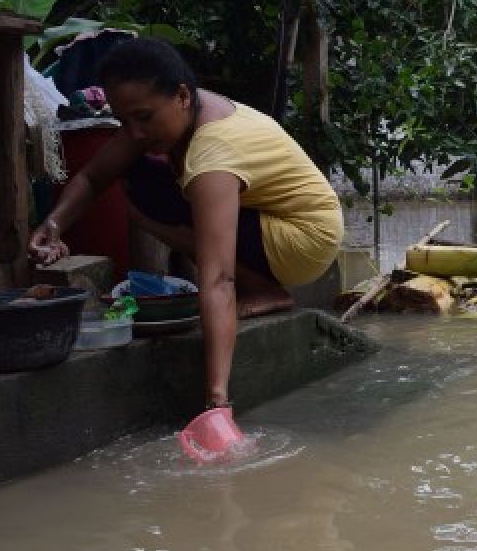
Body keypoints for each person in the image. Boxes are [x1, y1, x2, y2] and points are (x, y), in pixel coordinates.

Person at [29, 38, 344, 415]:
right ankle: (262, 285)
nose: (136, 132)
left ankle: (265, 291)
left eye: (144, 118)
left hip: (307, 237)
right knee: (136, 180)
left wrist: (216, 401)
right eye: (124, 119)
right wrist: (53, 223)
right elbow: (94, 177)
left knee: (157, 204)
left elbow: (217, 280)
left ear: (181, 96)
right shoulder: (182, 108)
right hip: (275, 219)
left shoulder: (212, 154)